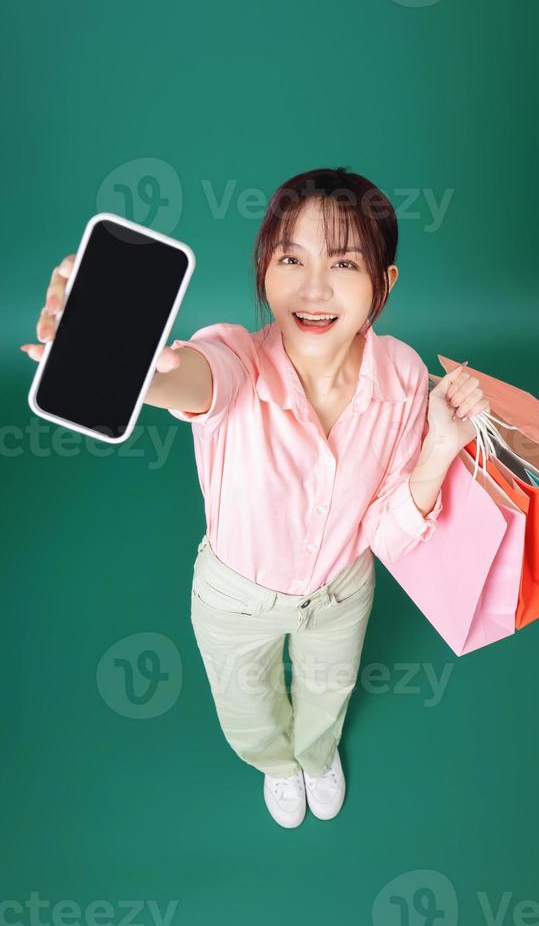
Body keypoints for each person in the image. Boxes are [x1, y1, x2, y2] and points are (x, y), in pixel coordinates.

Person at [21, 167, 490, 829]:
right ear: (264, 269)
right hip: (234, 598)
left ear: (383, 285)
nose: (313, 288)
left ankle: (317, 752)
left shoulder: (405, 377)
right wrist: (122, 356)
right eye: (290, 258)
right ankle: (275, 763)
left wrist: (440, 446)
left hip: (342, 592)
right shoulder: (235, 356)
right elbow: (191, 379)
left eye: (345, 262)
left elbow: (389, 532)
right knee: (246, 706)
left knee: (329, 690)